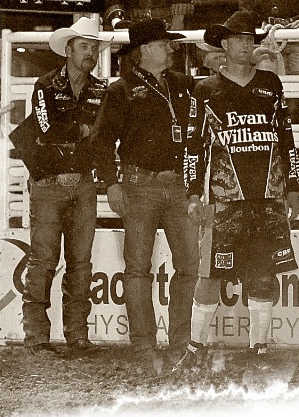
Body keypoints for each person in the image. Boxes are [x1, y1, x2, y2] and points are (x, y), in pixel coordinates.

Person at [173, 11, 299, 371]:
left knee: (262, 273)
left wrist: (293, 187)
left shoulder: (270, 84)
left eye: (250, 38)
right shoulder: (206, 89)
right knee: (209, 273)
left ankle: (259, 346)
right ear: (224, 44)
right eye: (239, 38)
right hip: (222, 199)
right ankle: (196, 345)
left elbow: (286, 138)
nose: (246, 44)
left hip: (267, 196)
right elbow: (194, 145)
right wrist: (194, 194)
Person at [90, 19, 199, 370]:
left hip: (177, 183)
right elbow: (103, 140)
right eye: (164, 43)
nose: (171, 48)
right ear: (144, 51)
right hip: (139, 184)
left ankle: (179, 343)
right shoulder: (121, 91)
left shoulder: (182, 84)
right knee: (139, 267)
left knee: (188, 264)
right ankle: (145, 344)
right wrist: (111, 182)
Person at [8, 16, 110, 356]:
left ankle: (76, 335)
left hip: (74, 182)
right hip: (54, 182)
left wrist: (79, 140)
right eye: (84, 47)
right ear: (68, 50)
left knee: (80, 262)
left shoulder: (98, 89)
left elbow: (99, 138)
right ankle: (37, 335)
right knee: (44, 260)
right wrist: (81, 134)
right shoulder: (46, 84)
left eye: (94, 47)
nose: (90, 53)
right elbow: (48, 130)